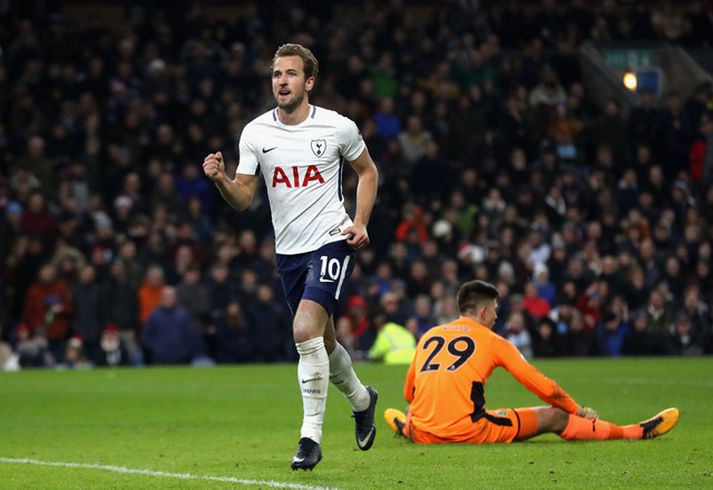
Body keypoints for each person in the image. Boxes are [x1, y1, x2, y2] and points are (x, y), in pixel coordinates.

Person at [203, 43, 379, 470]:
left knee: (304, 332)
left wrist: (360, 220)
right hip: (289, 254)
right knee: (325, 341)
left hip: (332, 239)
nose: (281, 81)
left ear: (309, 82)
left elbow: (367, 171)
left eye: (291, 74)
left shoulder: (337, 128)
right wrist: (223, 180)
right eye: (276, 74)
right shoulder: (256, 133)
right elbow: (244, 198)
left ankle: (310, 438)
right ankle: (361, 399)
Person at [384, 280, 679, 444]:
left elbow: (410, 393)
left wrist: (414, 413)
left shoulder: (429, 335)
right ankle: (636, 431)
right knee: (556, 416)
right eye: (495, 310)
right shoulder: (494, 341)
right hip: (467, 431)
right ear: (484, 312)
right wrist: (577, 409)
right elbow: (542, 387)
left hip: (422, 431)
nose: (497, 317)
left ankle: (403, 425)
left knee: (413, 412)